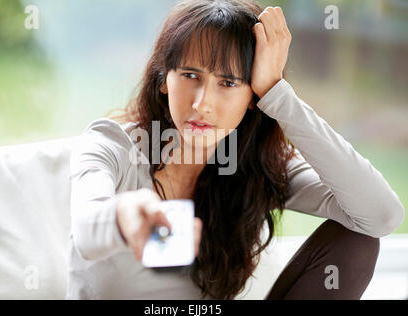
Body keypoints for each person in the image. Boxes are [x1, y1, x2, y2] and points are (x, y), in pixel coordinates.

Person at [66, 0, 404, 300]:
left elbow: (380, 216)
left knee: (357, 241)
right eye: (189, 75)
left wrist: (277, 93)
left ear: (253, 98)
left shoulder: (256, 167)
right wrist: (126, 215)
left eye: (228, 83)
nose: (202, 103)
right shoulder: (112, 144)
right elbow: (86, 228)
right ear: (162, 80)